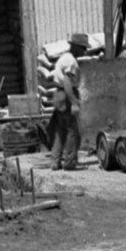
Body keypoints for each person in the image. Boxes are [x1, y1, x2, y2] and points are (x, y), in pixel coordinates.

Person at [46, 33, 91, 171]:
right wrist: (74, 102)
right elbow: (67, 82)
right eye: (83, 48)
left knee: (60, 130)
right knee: (72, 130)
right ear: (76, 47)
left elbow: (53, 77)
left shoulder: (64, 58)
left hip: (59, 95)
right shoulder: (70, 61)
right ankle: (70, 162)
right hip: (66, 95)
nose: (84, 52)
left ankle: (55, 161)